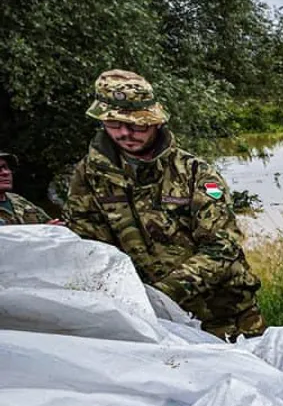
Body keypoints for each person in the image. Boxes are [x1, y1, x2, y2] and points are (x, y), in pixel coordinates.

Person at [65, 69, 264, 338]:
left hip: (222, 314)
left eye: (137, 125)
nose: (125, 133)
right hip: (142, 319)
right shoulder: (87, 176)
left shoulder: (196, 173)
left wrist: (162, 295)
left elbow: (222, 246)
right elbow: (89, 249)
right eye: (114, 124)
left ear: (155, 121)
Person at [0, 151, 52, 225]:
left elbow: (47, 224)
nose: (6, 173)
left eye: (6, 167)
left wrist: (54, 227)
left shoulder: (18, 200)